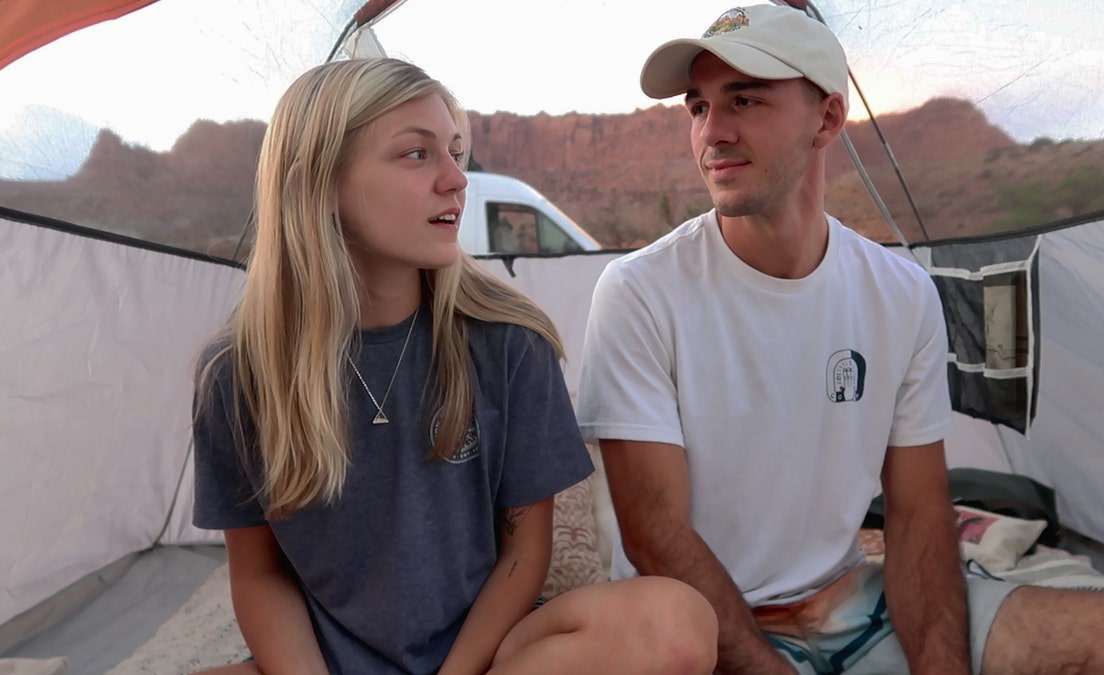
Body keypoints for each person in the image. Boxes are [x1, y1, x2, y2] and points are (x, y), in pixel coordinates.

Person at [576, 5, 1104, 674]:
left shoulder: (900, 293)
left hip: (850, 602)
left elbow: (917, 513)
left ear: (827, 119)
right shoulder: (641, 291)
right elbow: (655, 532)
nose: (713, 132)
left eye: (745, 100)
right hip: (701, 629)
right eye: (698, 107)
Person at [190, 57, 717, 675]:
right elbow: (259, 575)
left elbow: (524, 552)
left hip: (490, 657)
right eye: (417, 154)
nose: (456, 179)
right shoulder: (238, 374)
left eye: (456, 152)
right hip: (326, 662)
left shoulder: (509, 344)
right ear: (319, 183)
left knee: (676, 622)